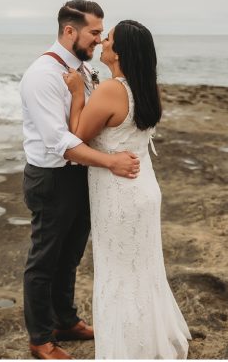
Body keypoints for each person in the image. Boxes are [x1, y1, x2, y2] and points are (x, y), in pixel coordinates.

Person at [19, 0, 140, 360]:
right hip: (51, 178)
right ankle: (40, 339)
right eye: (94, 33)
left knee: (69, 256)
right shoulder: (42, 75)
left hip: (80, 176)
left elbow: (85, 123)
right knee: (44, 260)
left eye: (102, 33)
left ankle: (65, 321)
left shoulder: (83, 70)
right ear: (69, 30)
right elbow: (60, 143)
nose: (99, 40)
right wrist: (111, 162)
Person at [63, 19, 191, 359]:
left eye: (109, 38)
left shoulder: (111, 90)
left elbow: (76, 137)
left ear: (119, 53)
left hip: (119, 195)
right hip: (144, 188)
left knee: (119, 273)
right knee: (143, 271)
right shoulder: (147, 88)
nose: (103, 42)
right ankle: (149, 341)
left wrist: (76, 95)